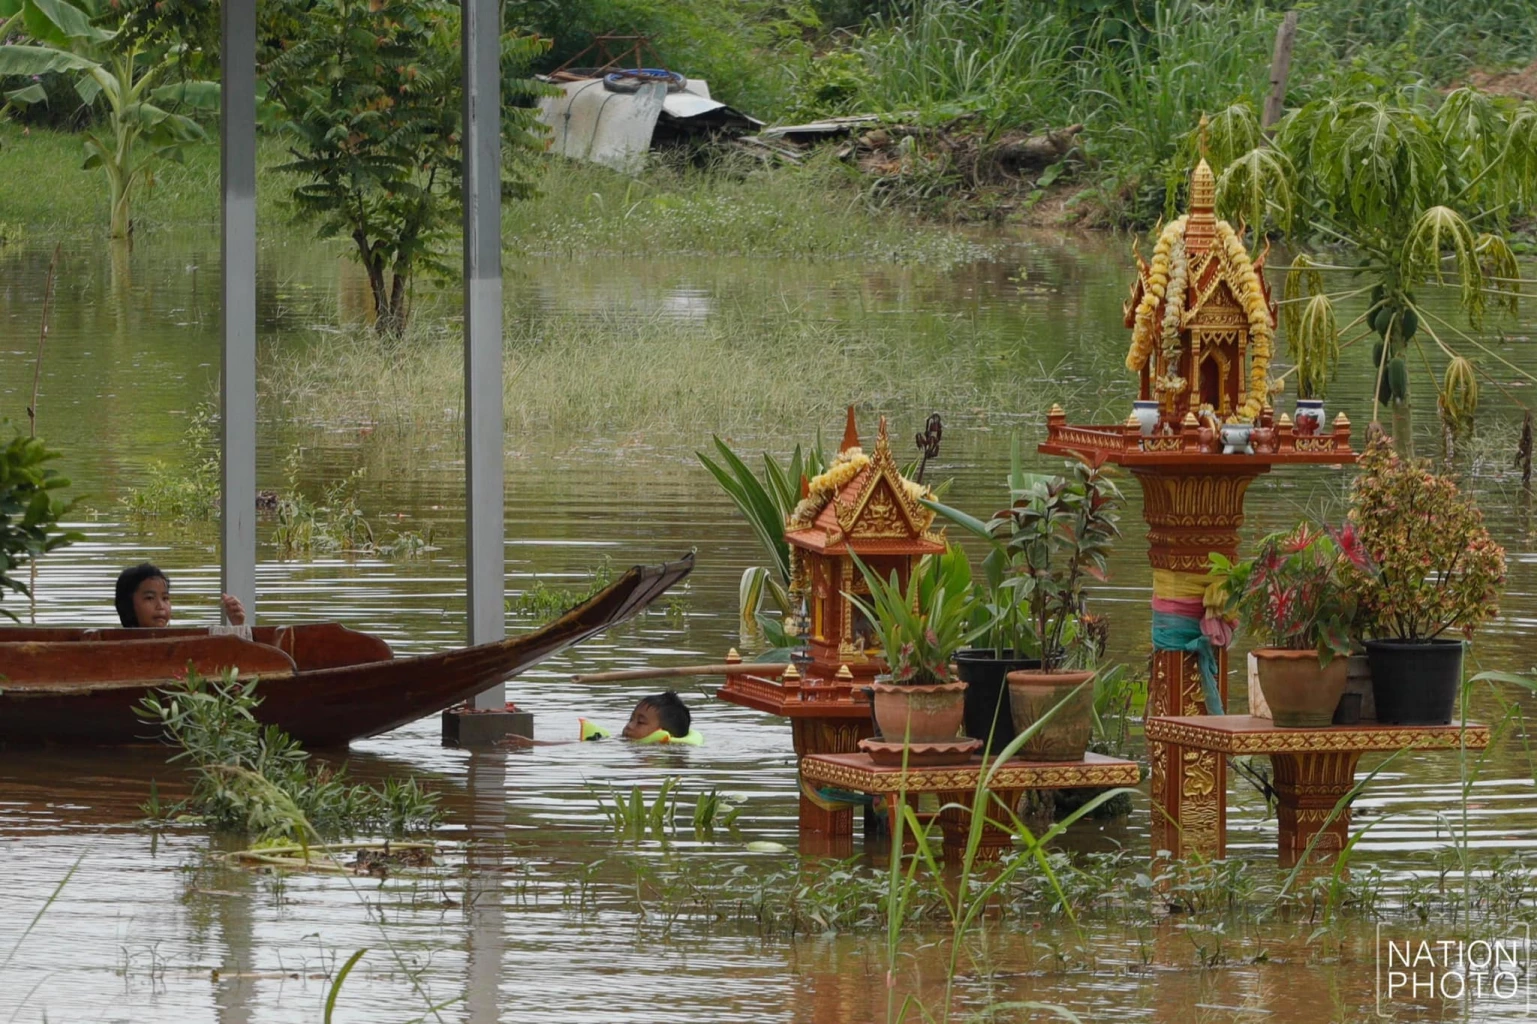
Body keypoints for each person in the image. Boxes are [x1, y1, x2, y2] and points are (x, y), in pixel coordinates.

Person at [503, 690, 703, 747]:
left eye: (640, 722)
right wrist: (532, 743)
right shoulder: (620, 742)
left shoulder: (654, 754)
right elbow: (574, 744)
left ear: (663, 733)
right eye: (631, 719)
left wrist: (532, 744)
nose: (629, 726)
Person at [114, 563, 246, 628]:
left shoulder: (181, 645)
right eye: (149, 598)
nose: (160, 606)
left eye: (165, 598)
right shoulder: (112, 650)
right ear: (128, 605)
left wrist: (237, 625)